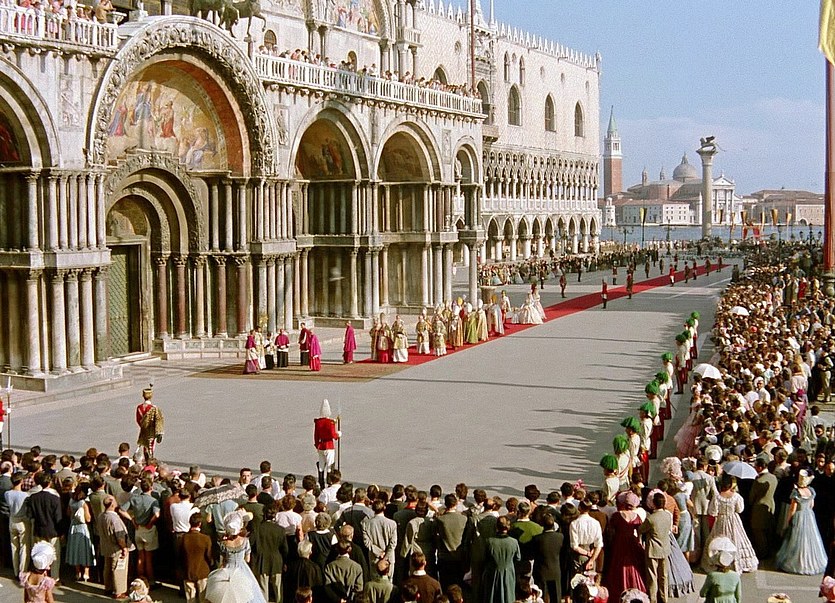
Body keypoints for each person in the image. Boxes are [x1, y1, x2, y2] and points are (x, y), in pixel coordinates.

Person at [774, 469, 828, 575]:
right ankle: (810, 562)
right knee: (810, 540)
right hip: (809, 516)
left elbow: (792, 509)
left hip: (799, 516)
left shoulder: (796, 492)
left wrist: (788, 520)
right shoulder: (811, 491)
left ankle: (797, 563)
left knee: (795, 540)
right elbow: (812, 505)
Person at [702, 475, 758, 574]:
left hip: (721, 520)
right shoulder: (736, 497)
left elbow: (712, 512)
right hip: (733, 520)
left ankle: (719, 561)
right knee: (737, 540)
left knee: (719, 540)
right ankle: (735, 562)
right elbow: (740, 510)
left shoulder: (717, 497)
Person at [602, 491, 645, 596]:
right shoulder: (637, 516)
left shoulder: (617, 515)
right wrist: (639, 542)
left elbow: (611, 530)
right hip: (632, 541)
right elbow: (640, 531)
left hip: (619, 541)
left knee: (617, 564)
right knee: (633, 563)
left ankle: (620, 586)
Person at [252, 500, 290, 602]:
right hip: (276, 561)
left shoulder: (257, 528)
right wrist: (285, 561)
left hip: (261, 561)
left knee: (263, 589)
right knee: (278, 588)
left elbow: (251, 544)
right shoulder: (280, 529)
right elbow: (285, 549)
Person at [98, 495, 133, 599]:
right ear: (112, 504)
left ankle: (108, 587)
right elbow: (120, 536)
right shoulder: (114, 518)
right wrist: (124, 548)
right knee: (118, 569)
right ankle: (119, 591)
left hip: (106, 546)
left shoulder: (101, 516)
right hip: (116, 548)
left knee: (107, 568)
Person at [640, 492, 671, 603]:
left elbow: (641, 529)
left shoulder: (651, 519)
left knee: (652, 576)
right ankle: (664, 598)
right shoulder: (668, 515)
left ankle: (653, 599)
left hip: (653, 550)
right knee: (664, 576)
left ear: (654, 503)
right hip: (665, 548)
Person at [482, 515, 519, 603]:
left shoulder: (489, 541)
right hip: (508, 573)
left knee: (492, 596)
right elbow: (518, 558)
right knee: (508, 596)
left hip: (493, 572)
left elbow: (485, 557)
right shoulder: (514, 542)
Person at [179, 514, 213, 603]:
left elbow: (180, 556)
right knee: (203, 598)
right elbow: (209, 557)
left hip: (188, 571)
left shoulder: (183, 538)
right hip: (202, 572)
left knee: (190, 599)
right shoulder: (206, 539)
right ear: (200, 524)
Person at [65, 484, 95, 582]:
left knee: (75, 549)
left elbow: (68, 513)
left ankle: (77, 572)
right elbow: (88, 518)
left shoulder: (71, 501)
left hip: (73, 526)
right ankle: (86, 572)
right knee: (85, 549)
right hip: (83, 527)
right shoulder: (83, 503)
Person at [314, 400, 340, 488]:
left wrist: (317, 445)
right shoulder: (330, 422)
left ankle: (321, 482)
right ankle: (329, 482)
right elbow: (333, 435)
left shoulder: (318, 422)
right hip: (329, 445)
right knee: (330, 465)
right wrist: (338, 435)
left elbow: (316, 435)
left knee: (321, 465)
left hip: (321, 446)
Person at [135, 387, 164, 463]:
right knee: (150, 447)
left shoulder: (139, 407)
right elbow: (158, 421)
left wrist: (142, 426)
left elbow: (138, 419)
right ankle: (149, 461)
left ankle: (147, 459)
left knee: (145, 446)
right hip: (151, 431)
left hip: (143, 430)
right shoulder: (153, 408)